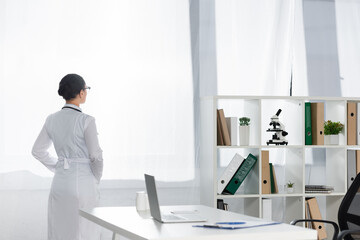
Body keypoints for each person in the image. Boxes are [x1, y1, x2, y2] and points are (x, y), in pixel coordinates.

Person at [32, 74, 103, 240]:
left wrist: (58, 165)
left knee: (59, 232)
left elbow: (37, 150)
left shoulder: (51, 119)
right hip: (83, 184)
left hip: (59, 184)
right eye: (86, 89)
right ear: (81, 92)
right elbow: (96, 156)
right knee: (86, 231)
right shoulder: (86, 120)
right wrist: (96, 178)